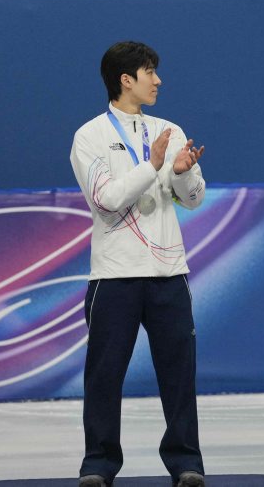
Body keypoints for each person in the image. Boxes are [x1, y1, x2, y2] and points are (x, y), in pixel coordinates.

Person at [70, 41, 207, 487]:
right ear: (125, 79)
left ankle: (186, 463)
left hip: (169, 274)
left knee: (179, 375)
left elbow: (193, 199)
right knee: (104, 376)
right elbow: (106, 200)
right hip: (114, 276)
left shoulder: (169, 129)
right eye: (150, 72)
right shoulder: (89, 136)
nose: (158, 80)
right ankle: (98, 465)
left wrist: (182, 172)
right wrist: (152, 166)